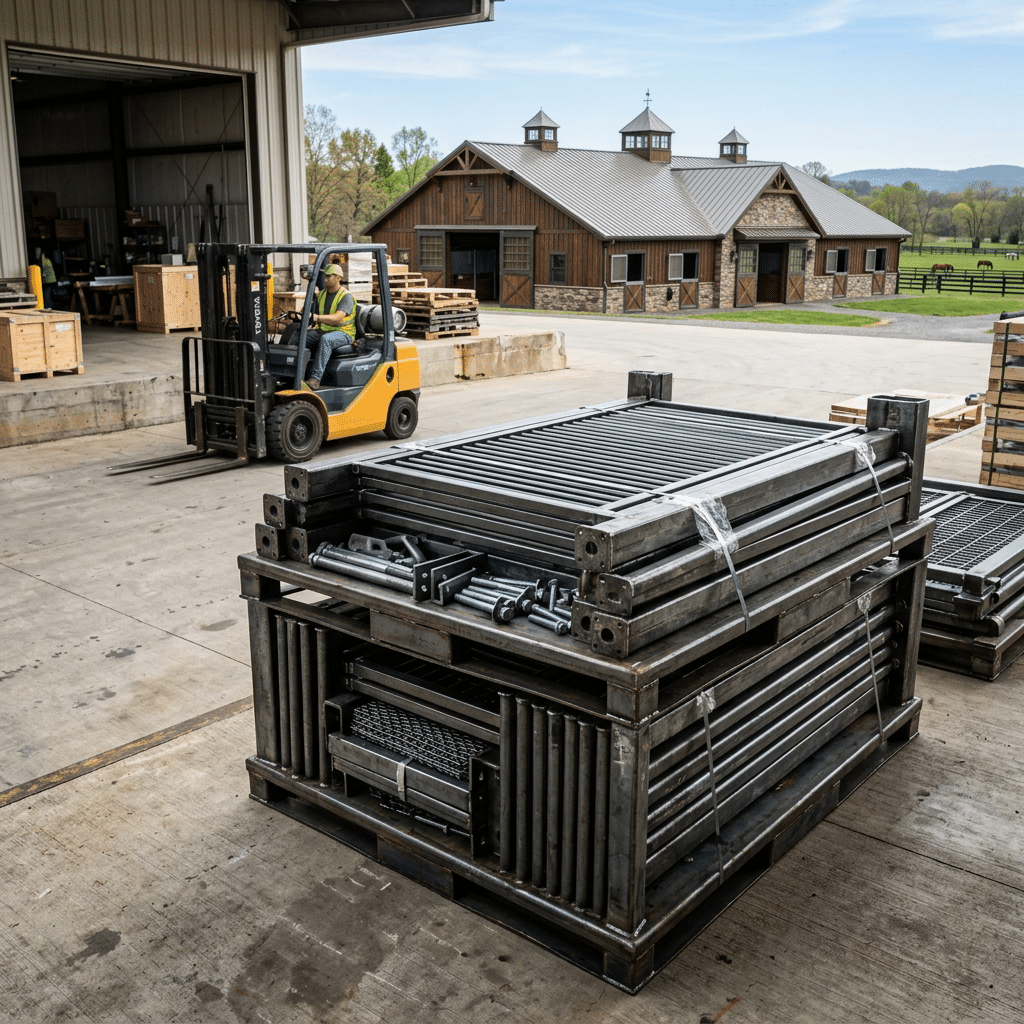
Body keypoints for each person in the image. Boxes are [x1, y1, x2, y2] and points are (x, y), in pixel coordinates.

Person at [304, 263, 356, 389]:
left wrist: (316, 317)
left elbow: (337, 319)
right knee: (301, 337)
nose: (325, 279)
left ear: (338, 278)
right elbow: (313, 311)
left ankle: (315, 379)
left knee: (326, 340)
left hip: (344, 333)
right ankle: (296, 372)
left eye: (329, 276)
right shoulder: (322, 294)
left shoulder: (345, 296)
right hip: (325, 330)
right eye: (325, 276)